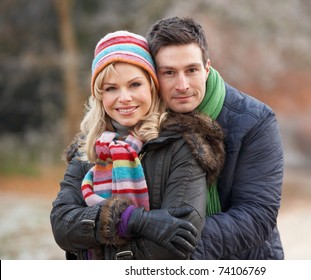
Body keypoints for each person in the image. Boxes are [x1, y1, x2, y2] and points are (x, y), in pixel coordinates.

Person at [50, 30, 225, 260]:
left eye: (134, 85)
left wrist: (96, 240)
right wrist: (133, 219)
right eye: (111, 88)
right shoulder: (87, 150)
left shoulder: (182, 144)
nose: (124, 98)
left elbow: (178, 241)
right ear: (100, 95)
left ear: (152, 87)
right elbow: (62, 227)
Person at [146, 16, 284, 259]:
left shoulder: (256, 120)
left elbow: (257, 215)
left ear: (206, 68)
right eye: (169, 72)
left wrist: (176, 249)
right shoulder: (142, 121)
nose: (182, 85)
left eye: (191, 70)